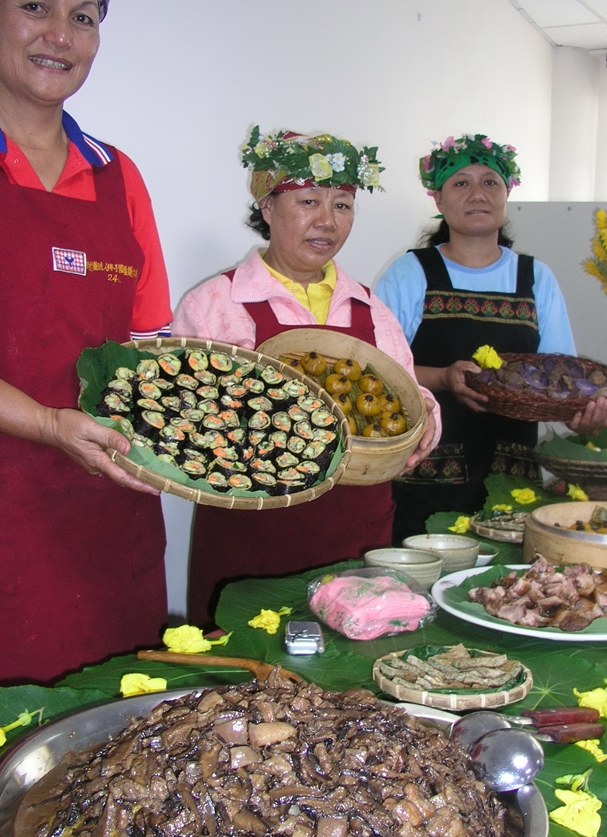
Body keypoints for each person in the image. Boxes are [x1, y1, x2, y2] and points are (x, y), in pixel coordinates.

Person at [0, 0, 172, 710]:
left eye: (84, 17)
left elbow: (145, 344)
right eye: (34, 6)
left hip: (108, 532)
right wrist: (43, 423)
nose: (60, 36)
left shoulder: (117, 176)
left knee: (116, 742)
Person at [173, 128, 440, 627]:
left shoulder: (370, 307)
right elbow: (184, 418)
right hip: (251, 544)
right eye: (309, 201)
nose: (327, 221)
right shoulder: (215, 303)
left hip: (354, 534)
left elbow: (407, 391)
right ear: (267, 206)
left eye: (343, 205)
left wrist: (427, 419)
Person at [376, 133, 607, 543]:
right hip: (422, 483)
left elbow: (561, 381)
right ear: (438, 198)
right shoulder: (410, 273)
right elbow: (378, 370)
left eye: (490, 182)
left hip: (513, 486)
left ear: (507, 194)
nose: (478, 194)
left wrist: (584, 414)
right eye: (461, 183)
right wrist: (443, 378)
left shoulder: (536, 278)